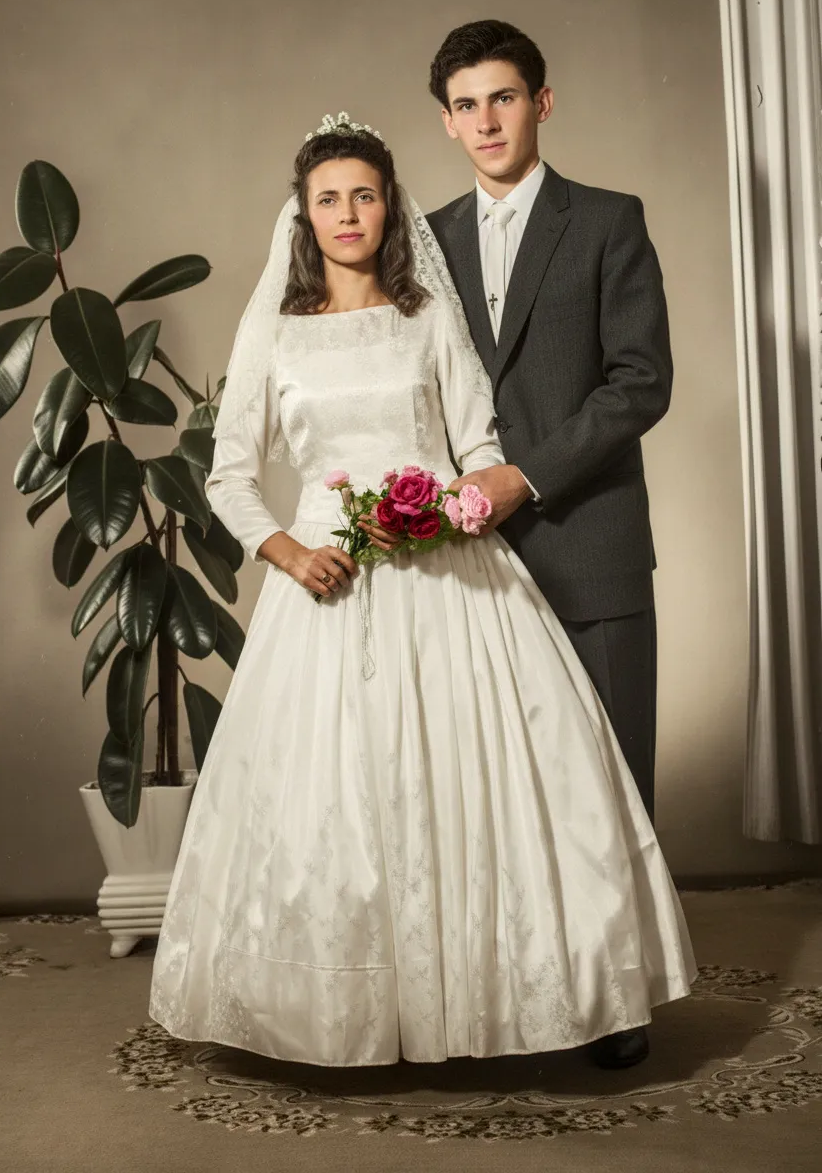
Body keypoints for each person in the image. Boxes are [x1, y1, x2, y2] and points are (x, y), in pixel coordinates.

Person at [149, 113, 695, 1070]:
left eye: (365, 195)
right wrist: (283, 549)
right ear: (303, 215)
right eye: (328, 199)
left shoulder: (427, 319)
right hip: (325, 582)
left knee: (474, 785)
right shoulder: (275, 336)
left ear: (388, 207)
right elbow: (230, 472)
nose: (348, 213)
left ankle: (501, 1001)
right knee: (338, 798)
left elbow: (479, 447)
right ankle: (335, 1012)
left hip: (446, 569)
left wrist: (451, 506)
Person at [426, 22, 673, 1067]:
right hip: (470, 569)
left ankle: (617, 1007)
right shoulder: (424, 235)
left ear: (543, 102)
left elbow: (640, 381)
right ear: (446, 119)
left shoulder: (608, 220)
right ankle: (515, 998)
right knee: (493, 790)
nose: (486, 121)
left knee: (608, 783)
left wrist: (519, 478)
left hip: (589, 545)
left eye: (504, 99)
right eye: (466, 105)